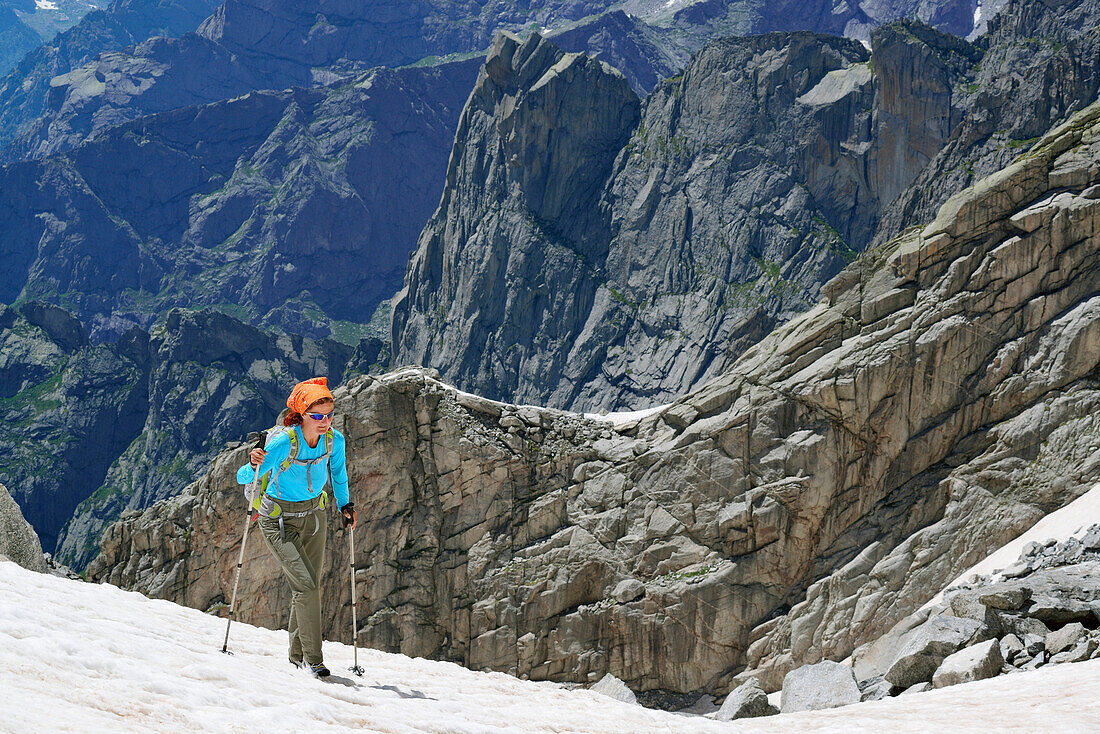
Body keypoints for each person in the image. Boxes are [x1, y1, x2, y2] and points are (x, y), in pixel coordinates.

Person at [236, 376, 356, 677]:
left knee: (307, 587)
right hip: (278, 520)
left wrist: (345, 504)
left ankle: (296, 656)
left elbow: (338, 474)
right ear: (302, 414)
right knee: (307, 585)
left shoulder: (334, 441)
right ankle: (315, 662)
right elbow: (242, 477)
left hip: (315, 516)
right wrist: (252, 464)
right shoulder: (283, 442)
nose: (325, 421)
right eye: (317, 415)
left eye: (329, 414)